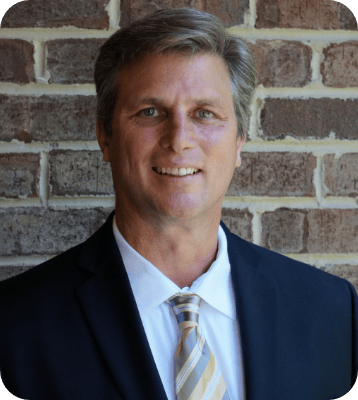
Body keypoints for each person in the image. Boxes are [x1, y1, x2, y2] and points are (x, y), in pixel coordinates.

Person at [0, 7, 357, 400]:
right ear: (105, 135)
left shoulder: (334, 313)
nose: (179, 139)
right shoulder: (15, 323)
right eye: (150, 112)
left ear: (239, 142)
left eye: (205, 114)